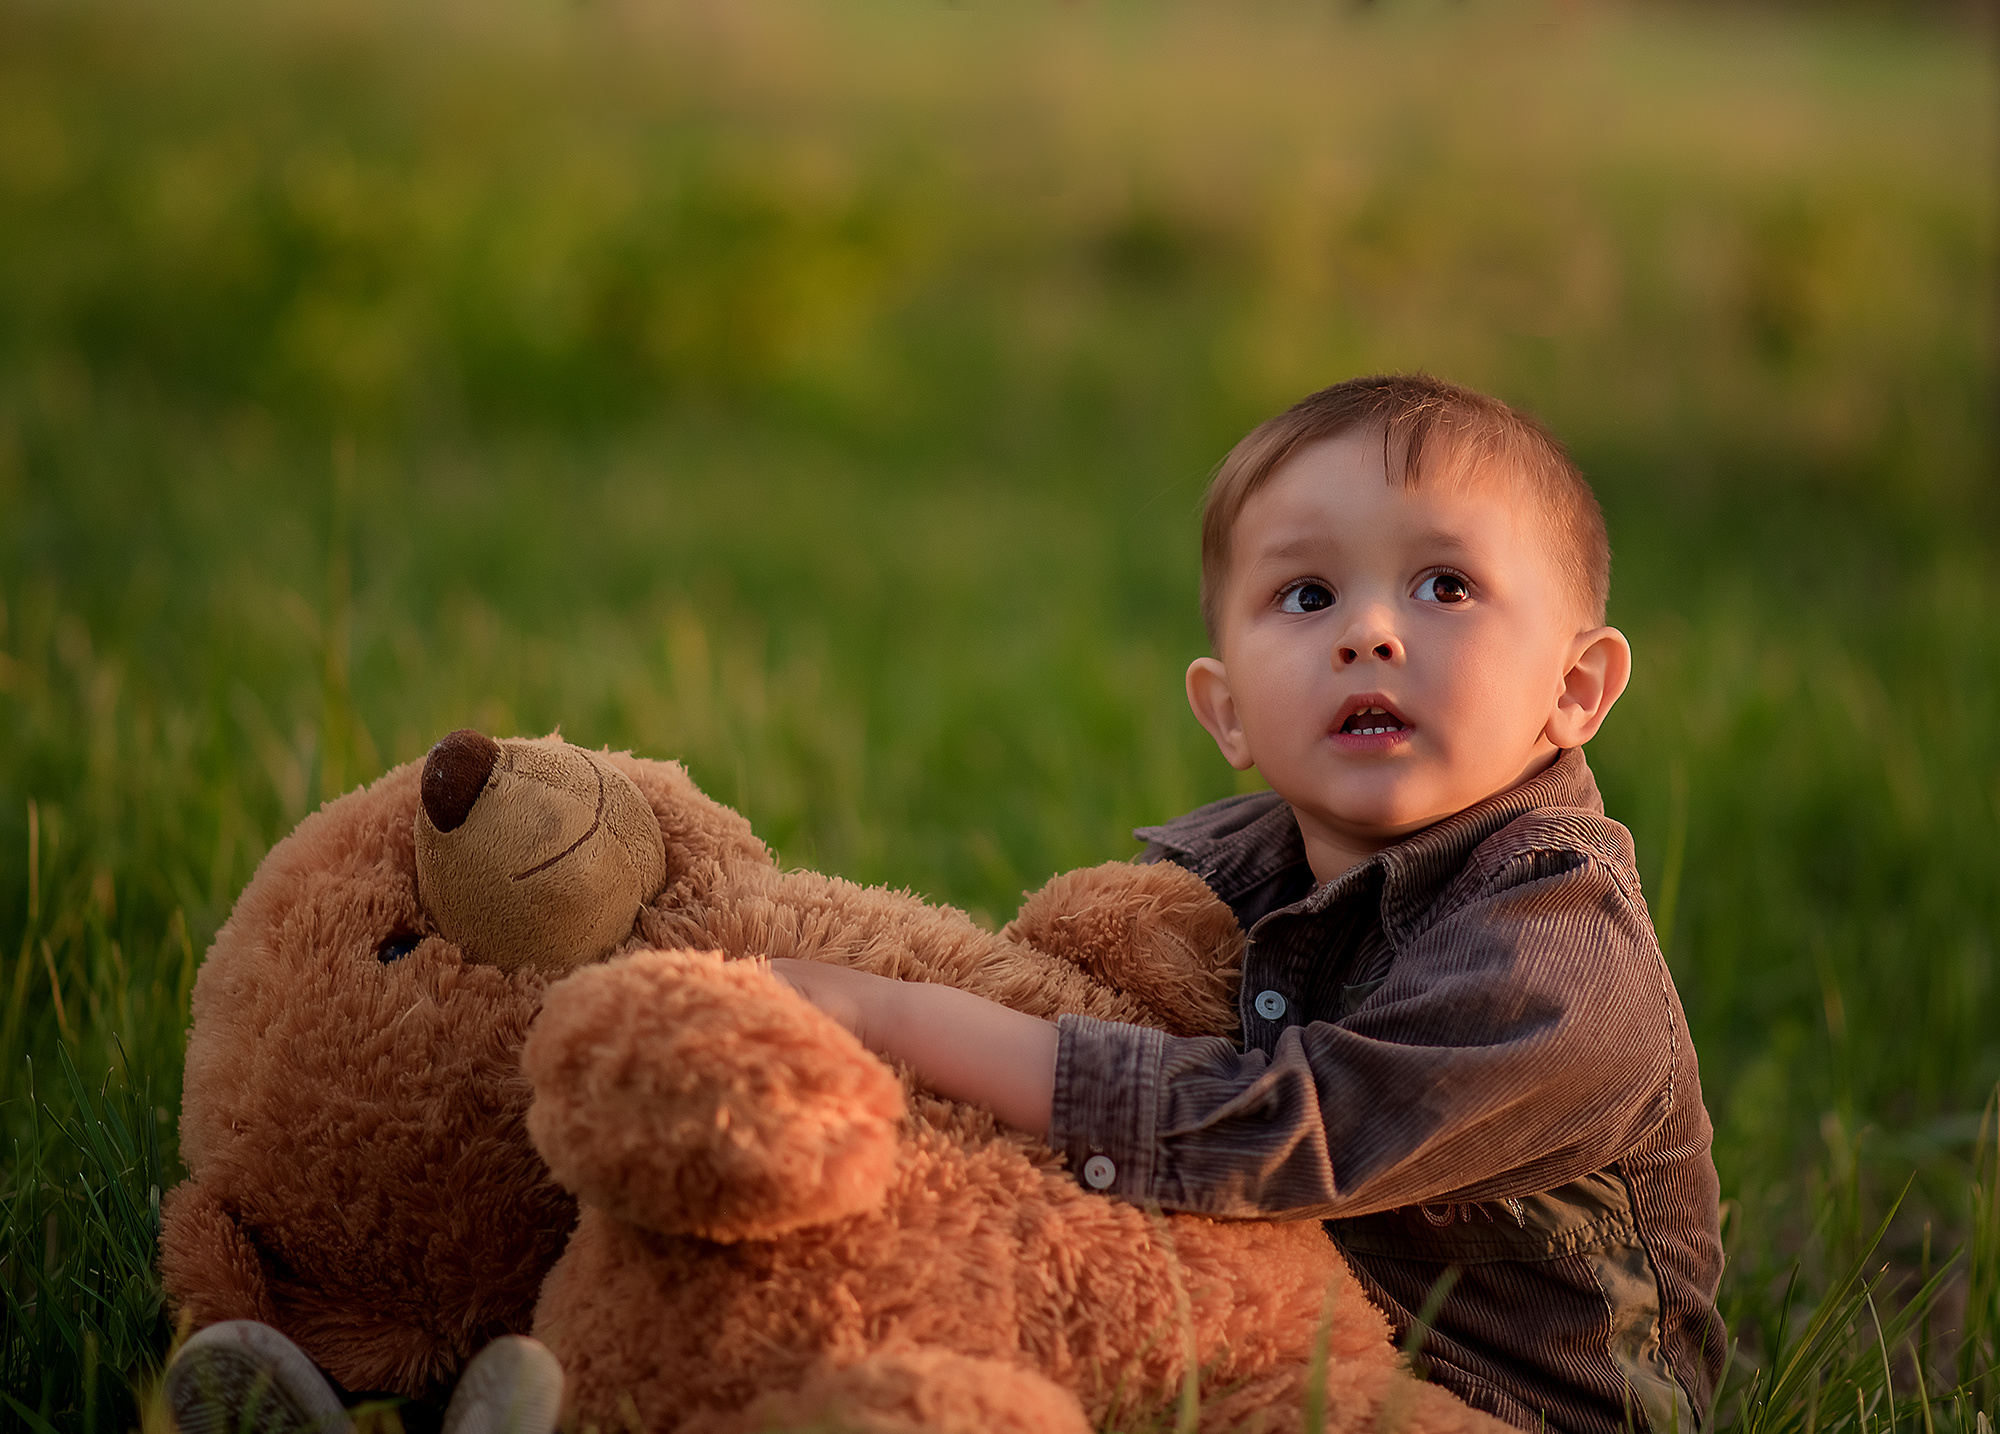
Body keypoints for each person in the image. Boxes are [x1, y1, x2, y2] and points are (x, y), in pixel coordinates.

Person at [772, 373, 1726, 1434]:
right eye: (1307, 596)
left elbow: (1281, 1131)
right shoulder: (1236, 878)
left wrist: (886, 1015)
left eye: (1443, 587)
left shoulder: (1555, 952)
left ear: (1573, 690)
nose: (1367, 631)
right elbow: (1097, 1012)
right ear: (1226, 713)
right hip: (1282, 1338)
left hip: (1519, 1404)